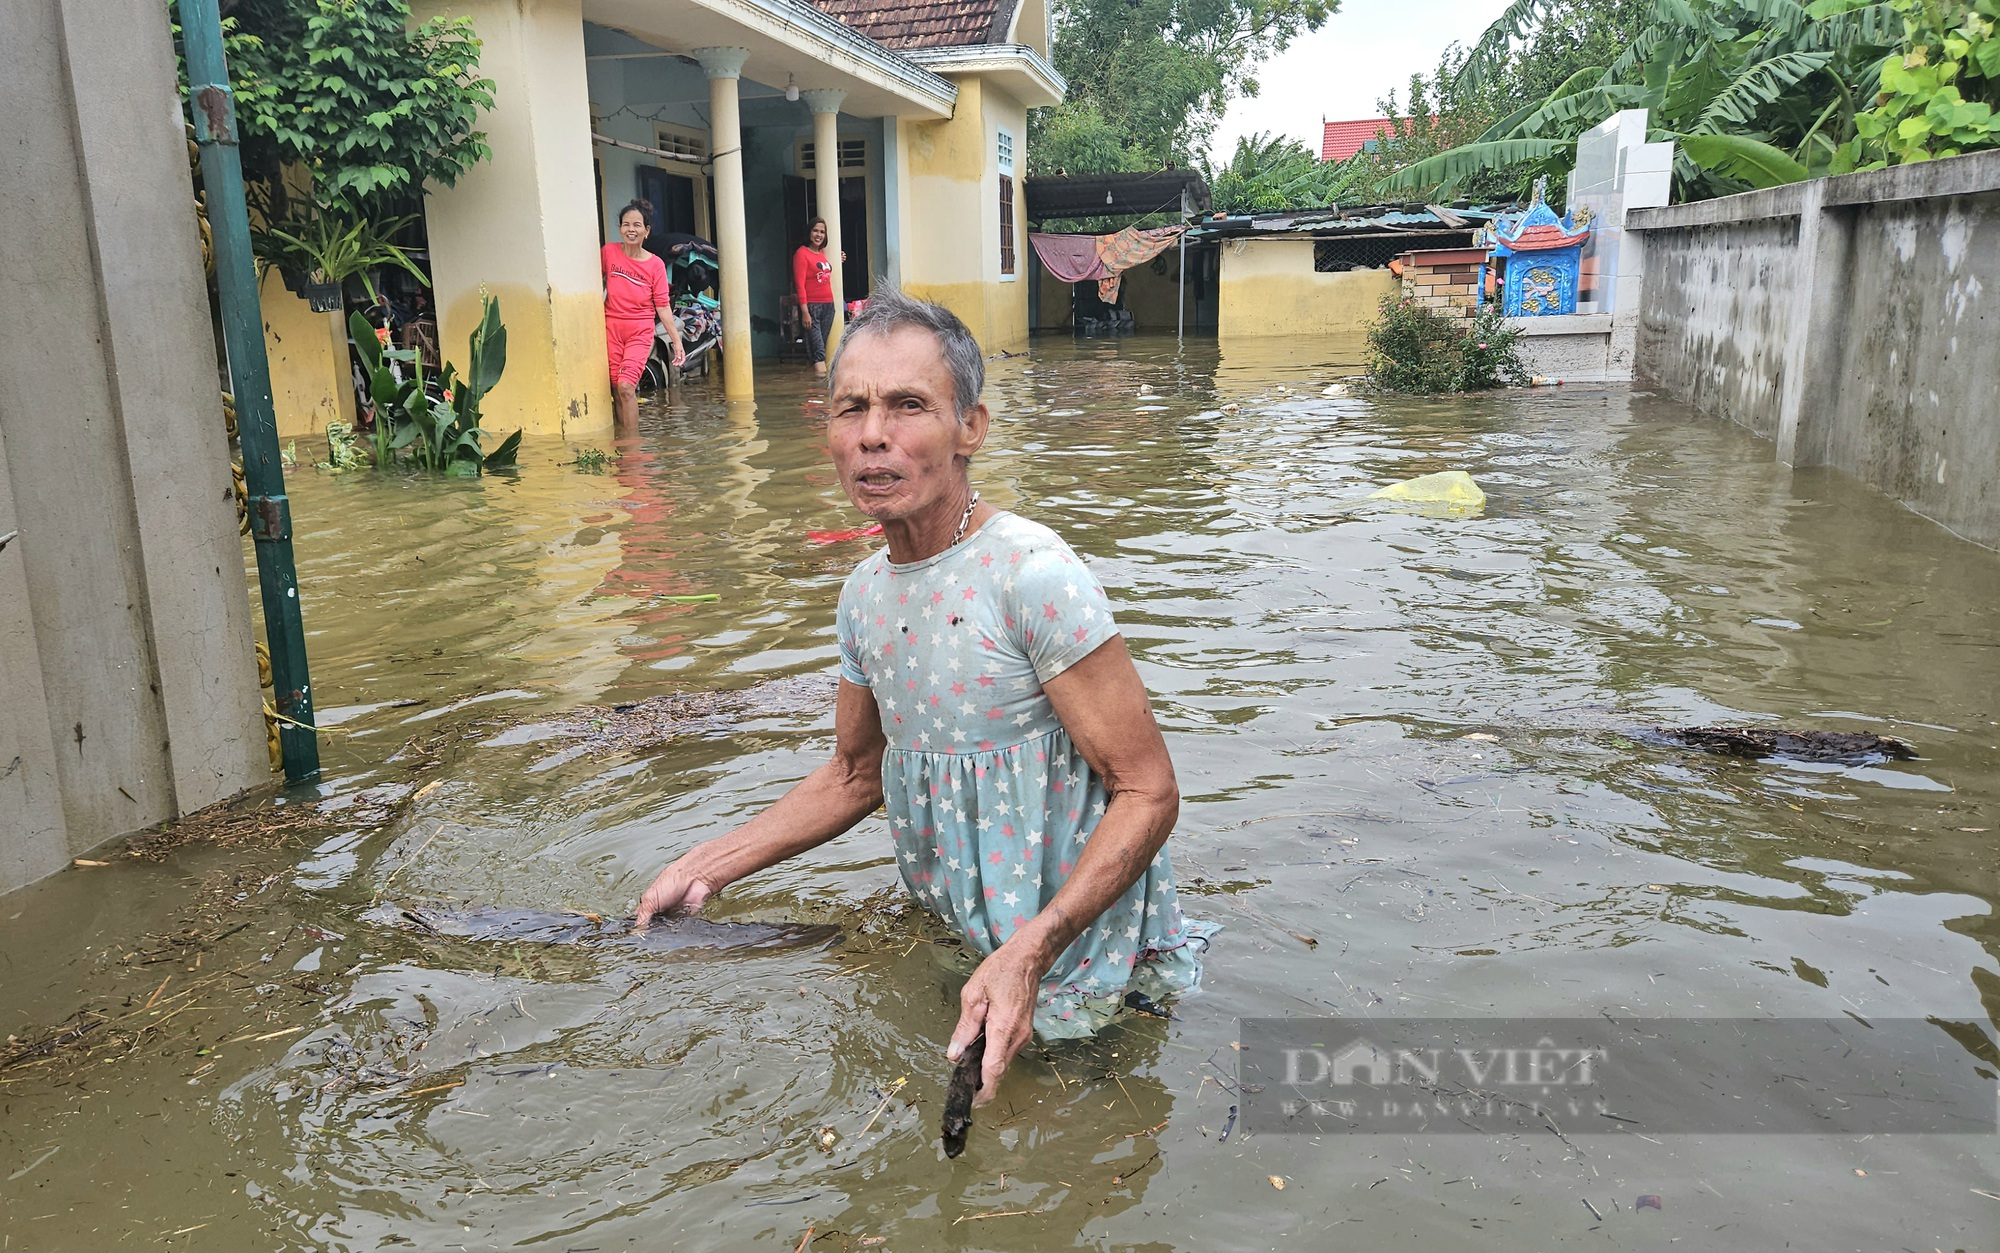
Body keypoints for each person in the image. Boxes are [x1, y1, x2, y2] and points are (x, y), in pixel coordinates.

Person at [634, 288, 1215, 1107]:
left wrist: (1033, 949)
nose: (874, 433)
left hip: (1081, 950)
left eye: (908, 405)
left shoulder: (1032, 576)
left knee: (1082, 1133)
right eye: (852, 408)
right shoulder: (865, 596)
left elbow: (1148, 790)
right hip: (964, 933)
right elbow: (854, 772)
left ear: (969, 428)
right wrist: (700, 869)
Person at [602, 200, 685, 427]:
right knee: (616, 387)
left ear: (646, 231)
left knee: (627, 387)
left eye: (637, 225)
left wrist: (676, 342)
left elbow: (663, 306)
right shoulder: (608, 253)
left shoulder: (655, 265)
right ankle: (625, 452)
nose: (631, 229)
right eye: (626, 224)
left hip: (639, 331)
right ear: (620, 228)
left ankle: (634, 449)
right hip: (611, 329)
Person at [792, 218, 839, 376]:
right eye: (815, 231)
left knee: (818, 350)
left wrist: (839, 257)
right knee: (818, 353)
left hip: (828, 306)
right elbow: (800, 285)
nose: (818, 235)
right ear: (809, 232)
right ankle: (822, 393)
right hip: (812, 307)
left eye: (822, 232)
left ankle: (811, 387)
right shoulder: (801, 253)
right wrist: (805, 312)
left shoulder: (823, 254)